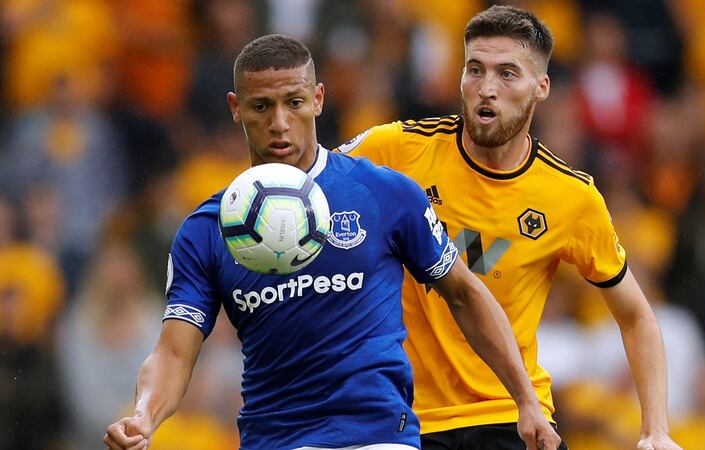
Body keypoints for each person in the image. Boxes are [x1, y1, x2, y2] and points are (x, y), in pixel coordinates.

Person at [104, 34, 558, 450]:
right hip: (274, 439)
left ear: (318, 99)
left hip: (379, 436)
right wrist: (145, 416)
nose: (279, 123)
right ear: (235, 108)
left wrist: (526, 400)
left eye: (294, 103)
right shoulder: (206, 228)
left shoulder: (384, 194)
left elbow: (465, 292)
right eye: (261, 107)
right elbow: (174, 351)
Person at [337, 5, 682, 450]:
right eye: (475, 70)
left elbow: (636, 317)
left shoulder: (570, 197)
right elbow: (304, 188)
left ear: (541, 88)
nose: (486, 89)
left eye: (507, 74)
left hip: (514, 415)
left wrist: (655, 430)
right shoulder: (396, 150)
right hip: (406, 418)